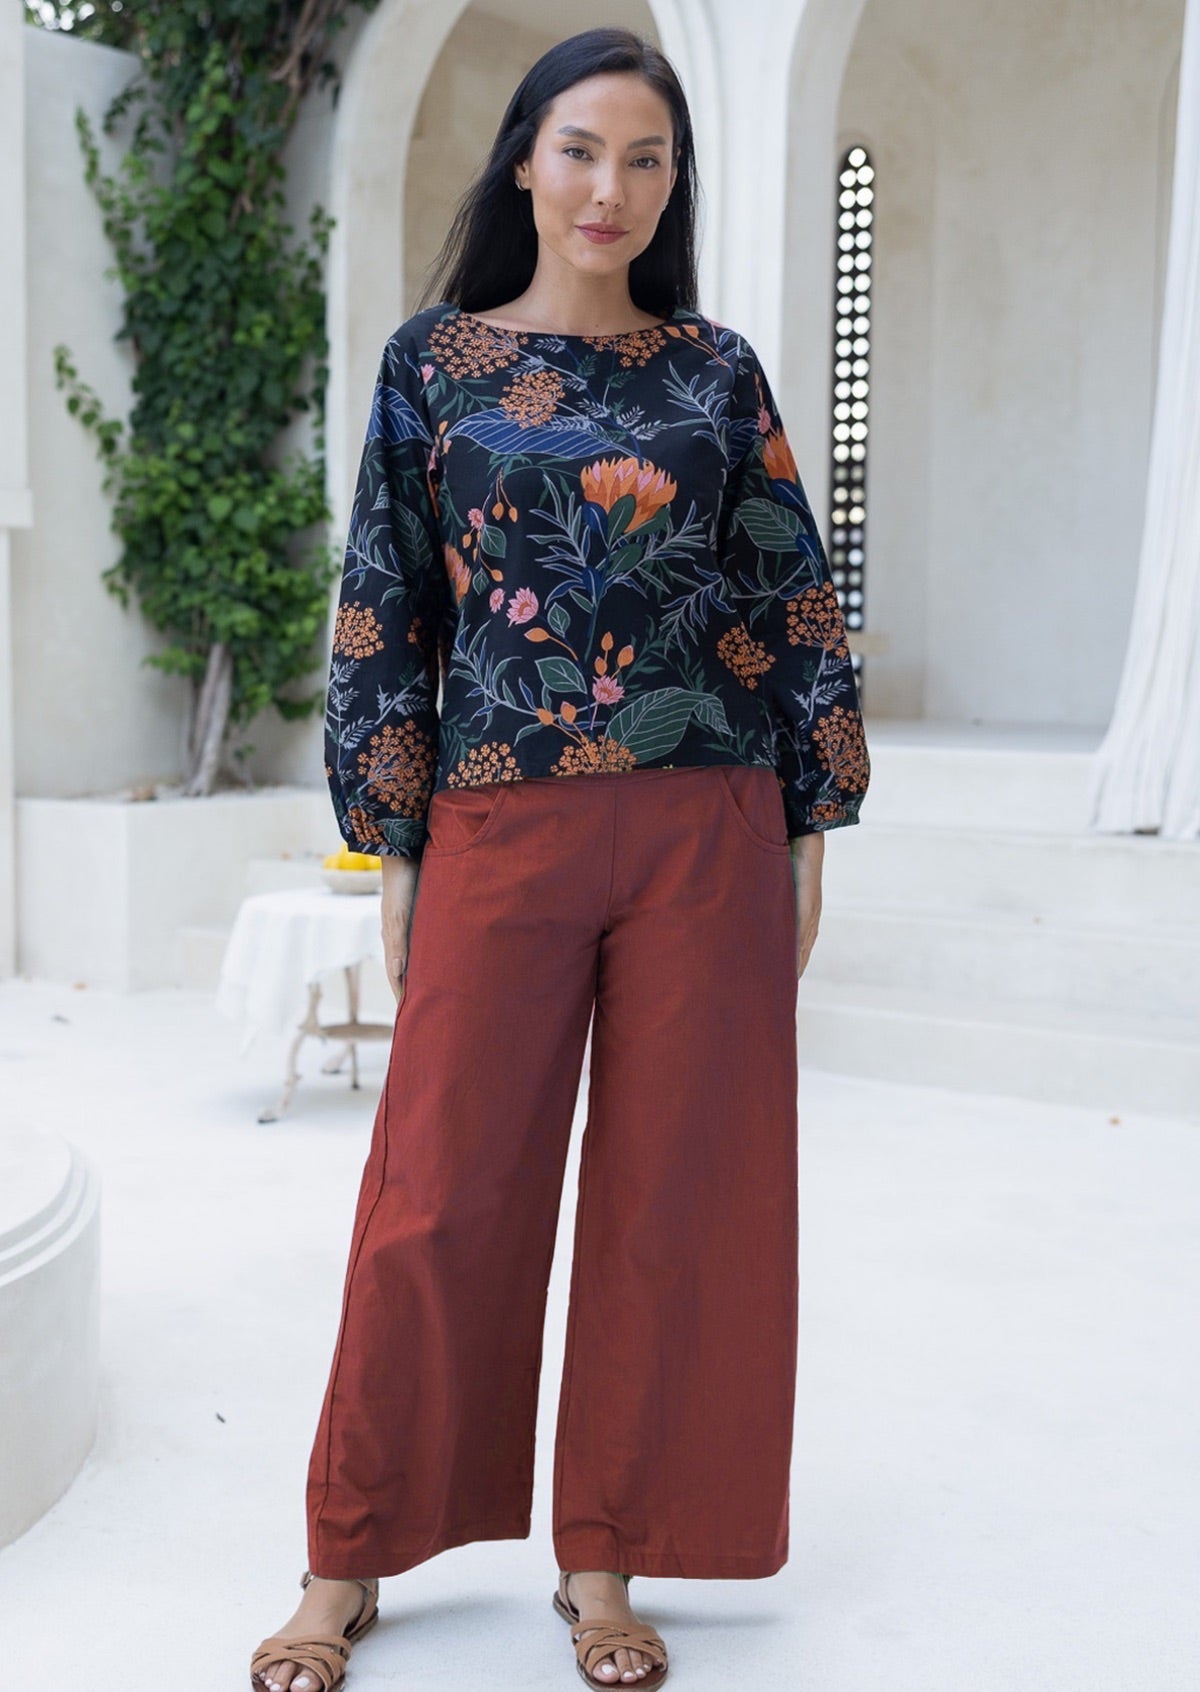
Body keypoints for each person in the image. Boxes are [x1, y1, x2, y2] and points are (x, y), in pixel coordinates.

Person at [250, 24, 869, 1692]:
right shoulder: (434, 366)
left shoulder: (714, 371)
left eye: (648, 159)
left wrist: (815, 816)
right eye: (584, 148)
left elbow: (789, 594)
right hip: (501, 820)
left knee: (677, 1200)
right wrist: (388, 839)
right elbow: (383, 601)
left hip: (708, 819)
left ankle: (604, 1557)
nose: (614, 186)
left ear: (672, 188)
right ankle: (350, 1554)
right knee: (438, 1195)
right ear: (524, 158)